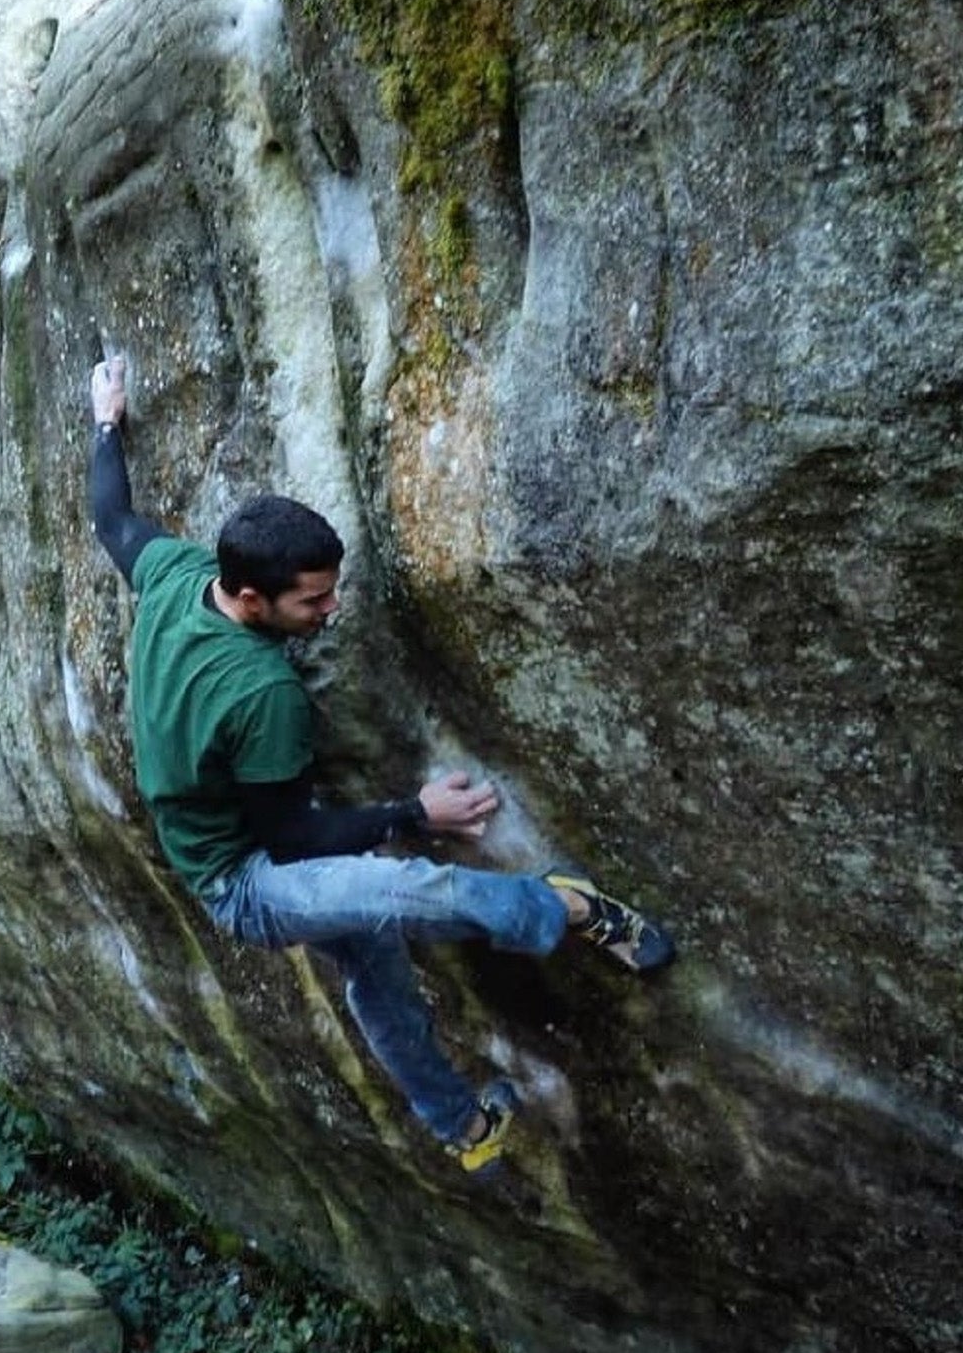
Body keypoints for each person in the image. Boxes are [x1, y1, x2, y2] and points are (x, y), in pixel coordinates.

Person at [86, 352, 673, 1172]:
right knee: (409, 891)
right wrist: (415, 814)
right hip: (246, 881)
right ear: (250, 598)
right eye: (313, 600)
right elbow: (292, 840)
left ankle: (462, 1126)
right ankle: (563, 907)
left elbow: (111, 518)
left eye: (332, 589)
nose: (331, 608)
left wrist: (106, 421)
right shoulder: (264, 694)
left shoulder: (176, 573)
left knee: (378, 975)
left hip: (223, 841)